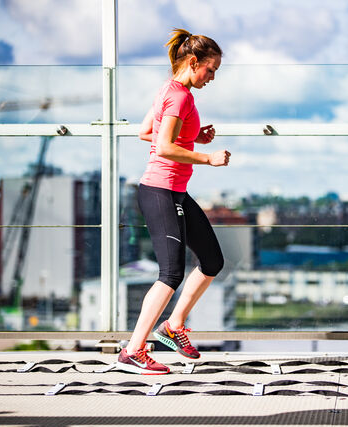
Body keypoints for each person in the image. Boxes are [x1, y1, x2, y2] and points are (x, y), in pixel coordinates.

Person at [116, 28, 230, 375]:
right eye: (210, 69)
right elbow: (163, 147)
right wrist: (207, 156)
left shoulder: (170, 90)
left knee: (211, 260)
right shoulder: (179, 96)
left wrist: (193, 135)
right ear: (193, 62)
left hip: (174, 191)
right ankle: (134, 350)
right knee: (170, 273)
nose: (212, 77)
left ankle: (173, 325)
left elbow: (146, 132)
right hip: (160, 190)